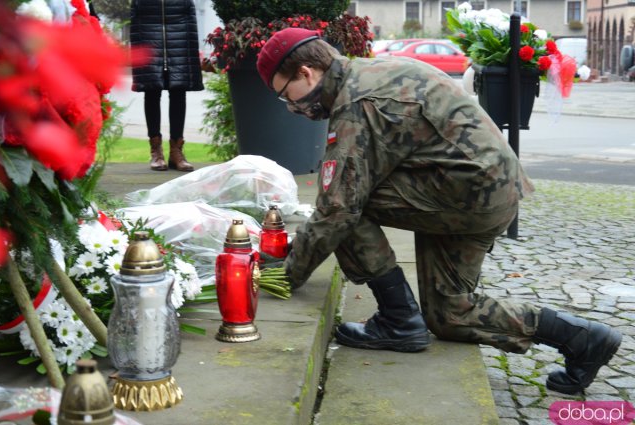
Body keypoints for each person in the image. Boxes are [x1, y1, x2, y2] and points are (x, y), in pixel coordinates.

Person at [255, 27, 622, 395]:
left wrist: (288, 274)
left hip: (467, 196)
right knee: (450, 314)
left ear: (307, 72)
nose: (292, 107)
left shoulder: (356, 101)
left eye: (287, 94)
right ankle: (583, 337)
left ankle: (397, 318)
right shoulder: (370, 72)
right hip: (484, 192)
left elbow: (339, 207)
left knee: (345, 201)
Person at [129, 0, 203, 171]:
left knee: (178, 90)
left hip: (180, 26)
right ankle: (156, 150)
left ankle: (176, 151)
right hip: (147, 26)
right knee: (152, 89)